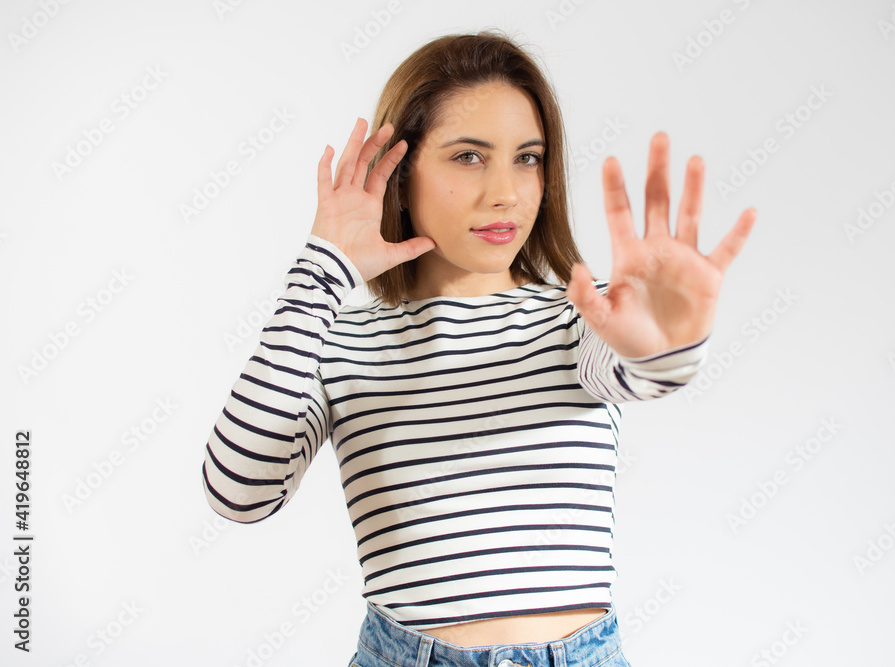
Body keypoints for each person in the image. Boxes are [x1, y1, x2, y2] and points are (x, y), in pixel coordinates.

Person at [201, 29, 755, 667]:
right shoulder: (340, 342)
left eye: (527, 158)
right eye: (469, 156)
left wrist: (667, 336)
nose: (506, 192)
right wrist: (320, 273)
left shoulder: (582, 315)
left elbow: (644, 364)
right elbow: (240, 492)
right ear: (399, 176)